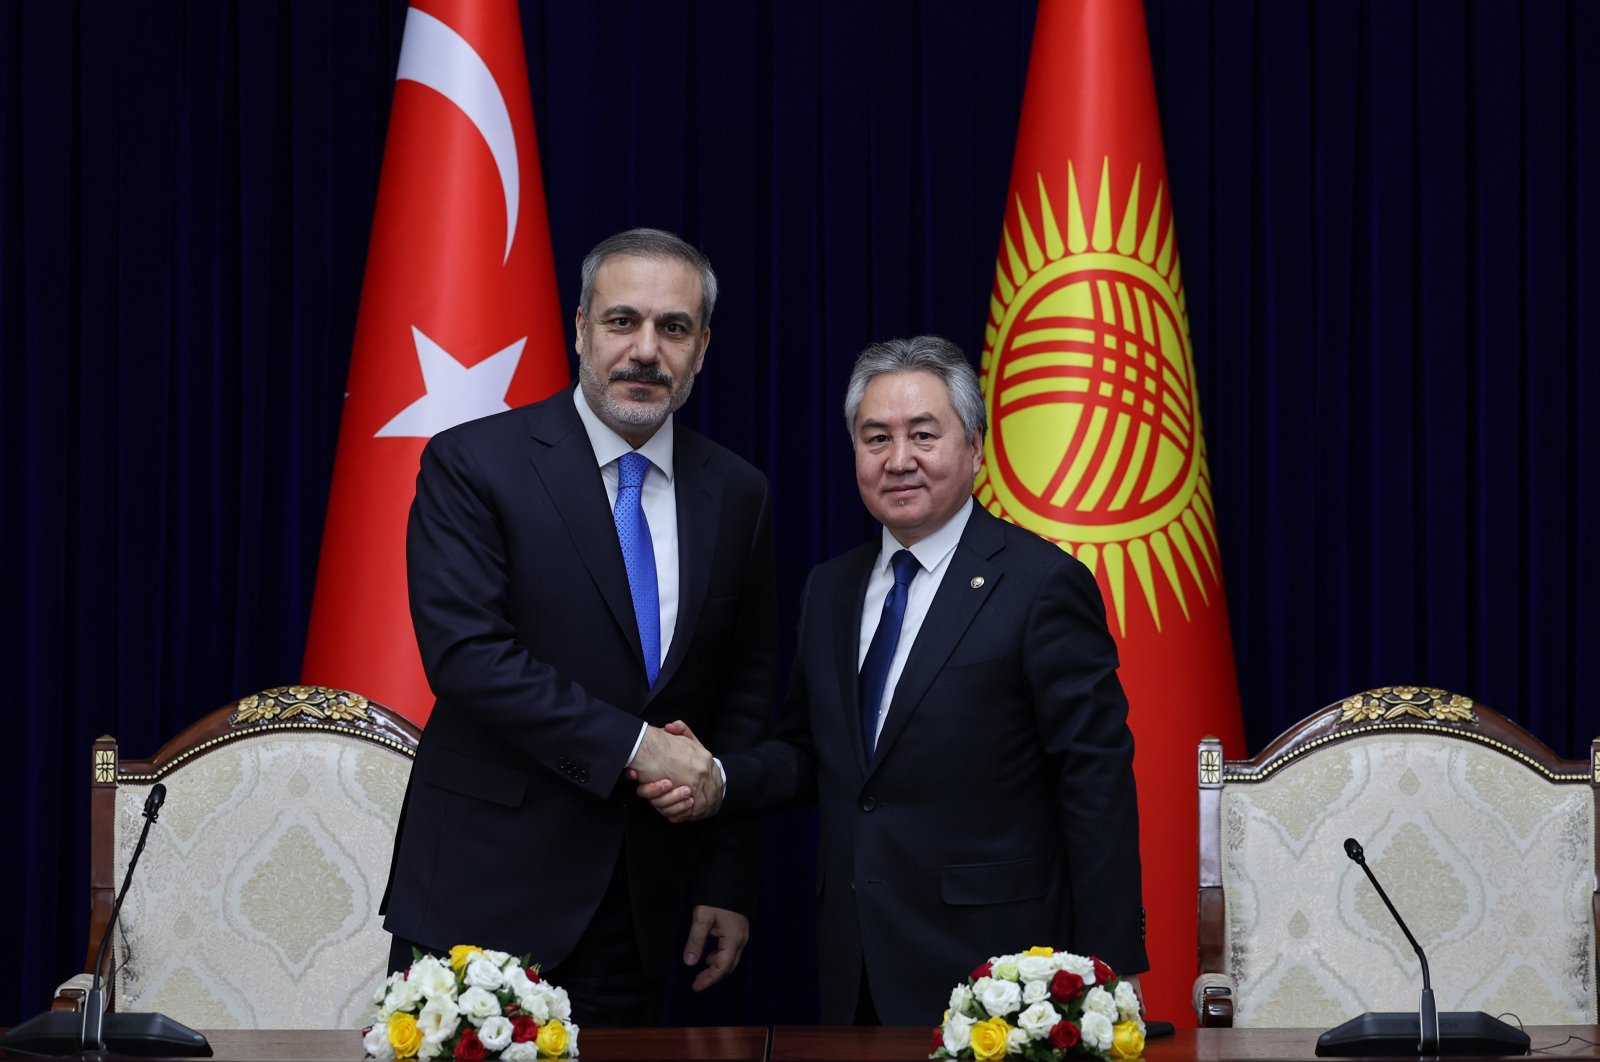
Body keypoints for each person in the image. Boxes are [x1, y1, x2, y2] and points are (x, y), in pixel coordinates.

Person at [642, 335, 1147, 1025]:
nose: (898, 459)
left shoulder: (1042, 586)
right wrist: (718, 778)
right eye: (875, 437)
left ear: (974, 446)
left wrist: (1109, 966)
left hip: (1003, 973)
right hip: (855, 965)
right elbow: (806, 753)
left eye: (923, 435)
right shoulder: (830, 588)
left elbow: (1097, 782)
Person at [381, 228, 775, 1027]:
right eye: (621, 321)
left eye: (673, 328)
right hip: (480, 897)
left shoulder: (738, 493)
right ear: (580, 330)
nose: (645, 351)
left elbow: (747, 692)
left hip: (639, 910)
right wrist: (638, 746)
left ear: (702, 348)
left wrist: (726, 884)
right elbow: (468, 657)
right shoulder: (474, 463)